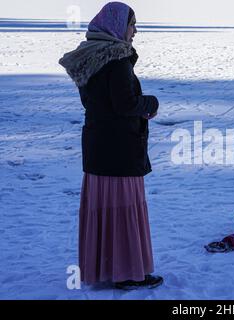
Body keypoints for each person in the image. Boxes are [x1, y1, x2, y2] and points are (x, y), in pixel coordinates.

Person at [59, 2, 163, 290]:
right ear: (117, 27)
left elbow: (97, 104)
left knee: (104, 210)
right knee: (124, 209)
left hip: (97, 150)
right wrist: (150, 104)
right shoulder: (116, 60)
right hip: (120, 151)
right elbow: (125, 104)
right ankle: (128, 272)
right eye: (132, 25)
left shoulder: (89, 58)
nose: (135, 31)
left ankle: (105, 268)